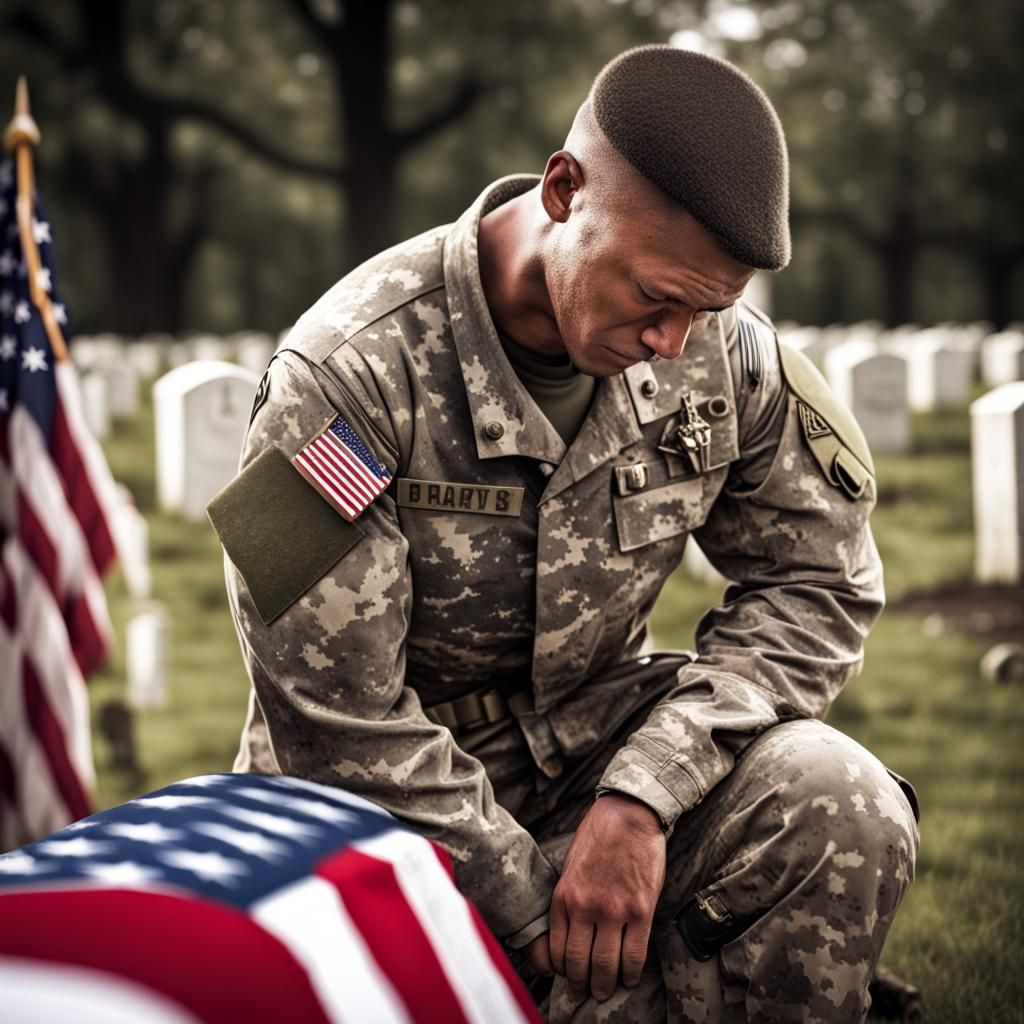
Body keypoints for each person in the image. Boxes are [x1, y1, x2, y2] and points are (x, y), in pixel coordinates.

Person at [209, 45, 919, 1023]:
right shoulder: (338, 379)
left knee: (843, 798)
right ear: (562, 190)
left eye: (706, 310)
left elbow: (819, 584)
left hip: (596, 751)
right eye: (653, 296)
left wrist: (642, 796)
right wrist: (529, 904)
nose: (671, 343)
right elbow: (327, 712)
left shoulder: (726, 356)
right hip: (378, 809)